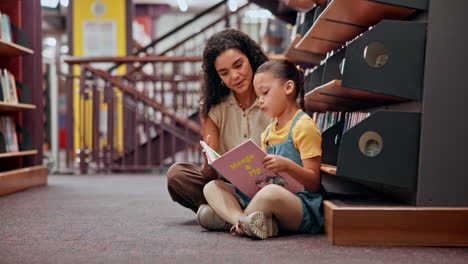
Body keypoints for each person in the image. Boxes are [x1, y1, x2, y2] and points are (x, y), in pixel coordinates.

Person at [202, 59, 324, 239]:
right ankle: (243, 220)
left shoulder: (304, 126)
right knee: (212, 187)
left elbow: (314, 183)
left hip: (300, 204)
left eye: (265, 93)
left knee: (271, 193)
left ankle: (231, 220)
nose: (260, 101)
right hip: (264, 197)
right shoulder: (267, 132)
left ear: (288, 88)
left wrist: (288, 166)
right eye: (258, 95)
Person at [166, 29, 272, 223]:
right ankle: (246, 215)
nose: (235, 76)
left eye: (238, 65)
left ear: (251, 59)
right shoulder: (213, 108)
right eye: (224, 73)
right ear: (218, 77)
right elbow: (210, 175)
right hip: (228, 187)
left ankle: (224, 216)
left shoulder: (272, 95)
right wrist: (208, 163)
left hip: (269, 185)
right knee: (177, 175)